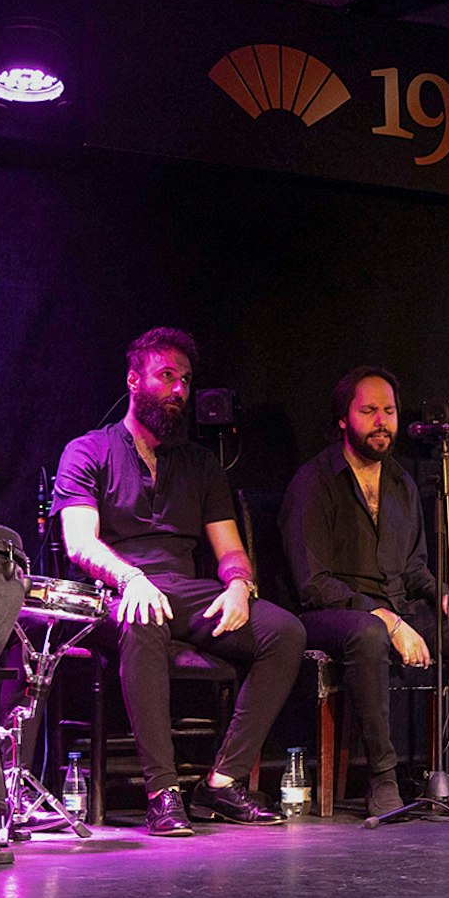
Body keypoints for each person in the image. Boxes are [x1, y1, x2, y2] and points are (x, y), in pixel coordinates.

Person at [54, 328, 304, 836]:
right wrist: (131, 579)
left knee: (286, 632)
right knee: (142, 615)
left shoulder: (199, 463)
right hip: (115, 591)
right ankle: (161, 791)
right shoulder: (88, 450)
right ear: (134, 380)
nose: (178, 390)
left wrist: (238, 584)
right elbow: (80, 543)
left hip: (187, 594)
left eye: (185, 381)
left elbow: (230, 549)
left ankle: (220, 783)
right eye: (167, 376)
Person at [280, 366, 449, 817]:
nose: (382, 421)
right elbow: (313, 583)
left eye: (388, 410)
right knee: (369, 633)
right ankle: (382, 777)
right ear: (342, 419)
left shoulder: (401, 483)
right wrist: (385, 619)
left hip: (398, 609)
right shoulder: (313, 483)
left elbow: (412, 568)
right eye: (369, 410)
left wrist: (446, 594)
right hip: (331, 616)